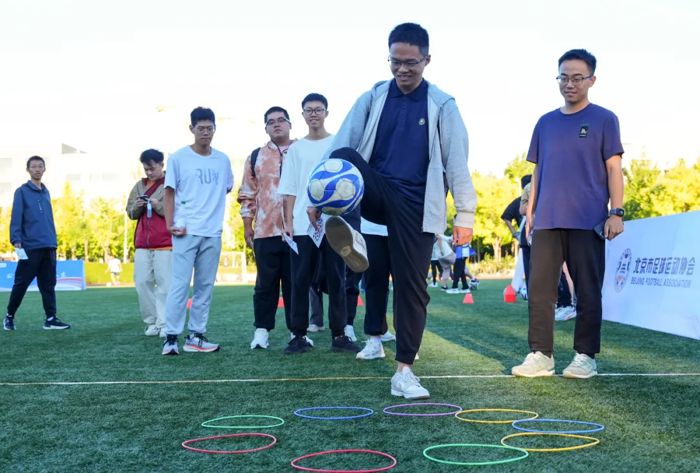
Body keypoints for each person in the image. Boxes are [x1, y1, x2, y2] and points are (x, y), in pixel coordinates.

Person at [321, 23, 477, 398]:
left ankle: (404, 372)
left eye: (411, 63)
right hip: (377, 191)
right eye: (395, 61)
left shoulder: (442, 105)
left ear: (427, 60)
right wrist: (318, 199)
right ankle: (346, 226)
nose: (402, 69)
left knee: (411, 288)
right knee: (342, 154)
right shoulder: (374, 97)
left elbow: (457, 161)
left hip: (418, 206)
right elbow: (341, 143)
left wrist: (465, 215)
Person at [512, 49, 624, 379]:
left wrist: (616, 212)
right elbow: (537, 172)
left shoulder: (605, 119)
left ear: (592, 80)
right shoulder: (545, 123)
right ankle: (541, 355)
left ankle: (585, 356)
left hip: (588, 220)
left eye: (577, 78)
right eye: (564, 77)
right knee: (540, 290)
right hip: (547, 220)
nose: (570, 84)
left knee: (587, 290)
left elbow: (614, 169)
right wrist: (531, 214)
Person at [278, 93, 361, 355]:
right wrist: (288, 222)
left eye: (318, 109)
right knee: (299, 280)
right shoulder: (295, 150)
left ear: (326, 112)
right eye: (309, 110)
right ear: (302, 115)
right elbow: (289, 188)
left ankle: (340, 334)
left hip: (334, 224)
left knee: (337, 278)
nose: (314, 114)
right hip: (303, 226)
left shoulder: (338, 145)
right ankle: (298, 335)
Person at [161, 107, 233, 355]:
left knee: (205, 286)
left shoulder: (222, 160)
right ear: (191, 128)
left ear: (215, 128)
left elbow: (226, 188)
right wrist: (170, 223)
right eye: (200, 128)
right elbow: (169, 192)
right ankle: (171, 337)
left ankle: (195, 336)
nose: (205, 133)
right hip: (185, 230)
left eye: (209, 128)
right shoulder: (178, 158)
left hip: (212, 232)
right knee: (180, 285)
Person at [239, 106, 296, 350]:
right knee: (265, 285)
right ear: (266, 128)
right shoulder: (256, 156)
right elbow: (247, 194)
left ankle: (297, 332)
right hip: (265, 231)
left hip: (297, 232)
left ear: (290, 124)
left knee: (296, 284)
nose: (276, 124)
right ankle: (261, 332)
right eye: (271, 122)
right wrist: (247, 225)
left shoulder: (301, 151)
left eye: (281, 120)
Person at [4, 156, 70, 331]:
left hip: (49, 245)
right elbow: (16, 217)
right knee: (21, 284)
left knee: (48, 284)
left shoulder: (46, 192)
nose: (37, 169)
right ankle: (9, 316)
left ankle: (51, 318)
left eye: (40, 166)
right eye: (33, 167)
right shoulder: (21, 191)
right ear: (28, 170)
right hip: (30, 246)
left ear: (44, 169)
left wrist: (53, 241)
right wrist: (16, 239)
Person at [126, 149, 172, 337]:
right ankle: (152, 322)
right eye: (146, 169)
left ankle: (165, 323)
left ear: (162, 164)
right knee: (142, 283)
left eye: (152, 168)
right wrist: (136, 207)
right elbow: (129, 212)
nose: (149, 172)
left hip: (165, 243)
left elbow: (177, 211)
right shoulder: (139, 186)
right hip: (142, 244)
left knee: (165, 286)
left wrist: (158, 205)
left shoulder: (171, 184)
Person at [355, 219, 398, 361]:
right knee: (374, 283)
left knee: (405, 287)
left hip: (404, 226)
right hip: (371, 228)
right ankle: (375, 340)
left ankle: (407, 343)